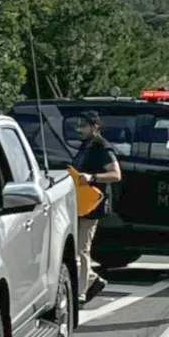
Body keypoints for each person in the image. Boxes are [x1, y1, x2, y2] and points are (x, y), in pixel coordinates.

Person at [71, 111, 122, 303]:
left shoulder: (102, 146)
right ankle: (93, 280)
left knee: (82, 249)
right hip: (80, 204)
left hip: (92, 205)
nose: (79, 130)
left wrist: (92, 177)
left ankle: (81, 292)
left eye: (83, 126)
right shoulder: (86, 146)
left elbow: (116, 175)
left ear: (95, 127)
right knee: (77, 248)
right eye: (78, 125)